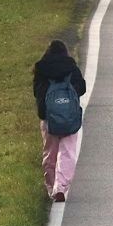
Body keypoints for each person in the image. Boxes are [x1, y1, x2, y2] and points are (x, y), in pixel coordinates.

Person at [32, 40, 87, 202]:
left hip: (48, 118)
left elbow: (37, 93)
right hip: (70, 118)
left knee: (50, 153)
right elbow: (81, 88)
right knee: (67, 152)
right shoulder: (71, 67)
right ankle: (60, 187)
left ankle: (50, 186)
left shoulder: (41, 68)